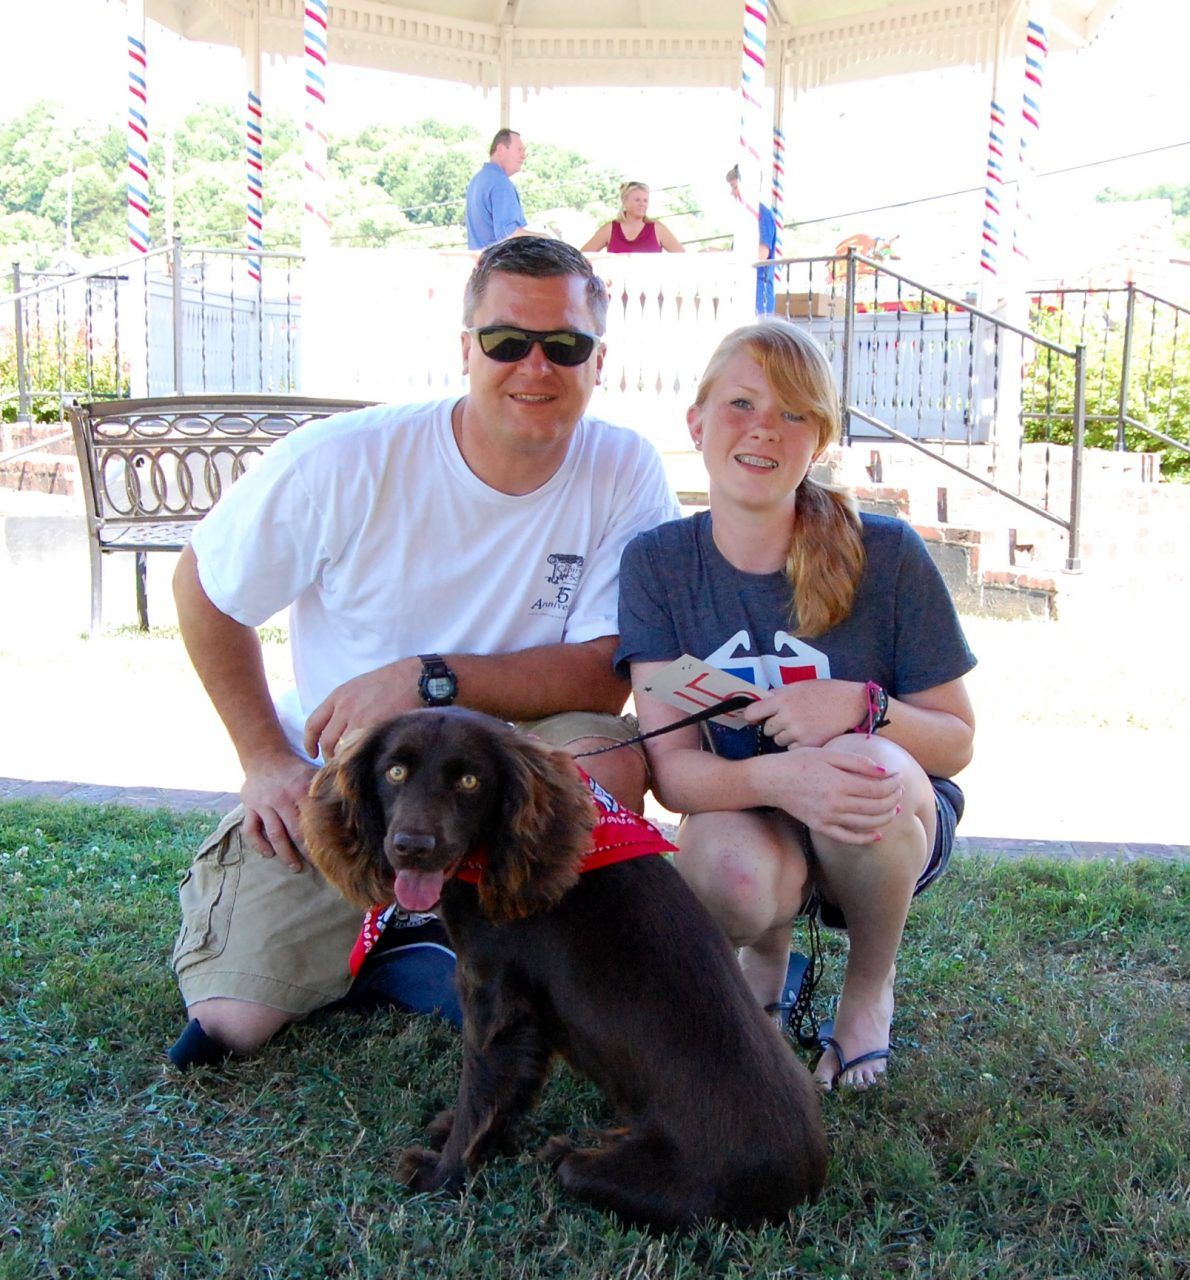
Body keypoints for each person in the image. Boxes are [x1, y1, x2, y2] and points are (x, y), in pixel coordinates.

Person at [168, 236, 681, 1069]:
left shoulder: (622, 467)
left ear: (598, 361)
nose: (535, 366)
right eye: (506, 341)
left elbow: (602, 670)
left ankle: (481, 933)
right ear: (466, 348)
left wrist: (424, 679)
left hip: (507, 763)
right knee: (234, 1020)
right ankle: (407, 936)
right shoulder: (344, 460)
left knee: (605, 755)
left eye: (565, 345)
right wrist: (264, 756)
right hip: (357, 776)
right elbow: (205, 586)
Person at [616, 320, 976, 1091]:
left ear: (819, 439)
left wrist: (860, 705)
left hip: (885, 825)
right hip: (748, 806)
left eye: (792, 413)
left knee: (859, 765)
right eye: (741, 404)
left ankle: (866, 990)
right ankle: (764, 952)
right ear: (697, 423)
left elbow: (953, 744)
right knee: (731, 877)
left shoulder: (887, 553)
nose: (762, 431)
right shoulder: (657, 563)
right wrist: (780, 782)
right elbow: (672, 773)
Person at [725, 165, 779, 315]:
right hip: (746, 289)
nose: (732, 192)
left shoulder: (762, 214)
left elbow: (762, 253)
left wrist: (728, 255)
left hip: (759, 292)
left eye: (734, 187)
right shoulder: (746, 218)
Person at [465, 128, 529, 249]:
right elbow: (509, 235)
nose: (523, 156)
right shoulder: (500, 183)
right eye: (519, 149)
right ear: (501, 149)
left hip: (480, 263)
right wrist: (547, 238)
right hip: (499, 265)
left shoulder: (477, 180)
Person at [581, 182, 685, 254]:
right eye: (637, 200)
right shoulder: (610, 229)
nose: (642, 204)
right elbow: (582, 257)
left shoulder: (658, 229)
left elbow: (683, 258)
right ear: (624, 201)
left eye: (645, 201)